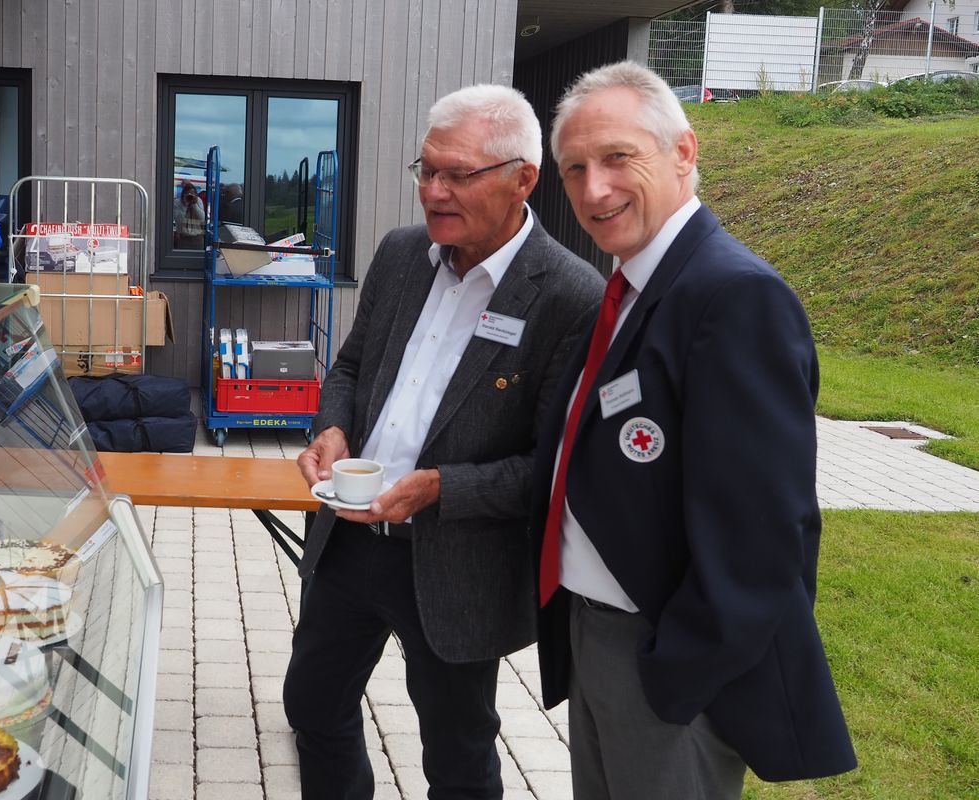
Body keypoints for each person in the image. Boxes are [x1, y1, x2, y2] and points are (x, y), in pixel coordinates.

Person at [531, 60, 856, 798]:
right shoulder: (632, 286)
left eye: (618, 157)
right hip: (596, 635)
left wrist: (679, 671)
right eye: (575, 168)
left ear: (683, 152)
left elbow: (762, 538)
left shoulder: (733, 296)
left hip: (663, 663)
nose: (593, 189)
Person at [283, 84, 604, 799]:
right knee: (312, 707)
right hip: (349, 540)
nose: (433, 191)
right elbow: (350, 366)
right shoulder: (403, 254)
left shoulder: (570, 296)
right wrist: (332, 427)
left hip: (454, 561)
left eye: (458, 174)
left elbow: (554, 469)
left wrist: (440, 489)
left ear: (523, 179)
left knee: (457, 756)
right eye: (426, 170)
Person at [174, 181, 205, 249]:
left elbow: (202, 218)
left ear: (196, 194)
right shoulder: (177, 203)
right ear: (183, 194)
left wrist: (194, 205)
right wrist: (185, 205)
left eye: (192, 193)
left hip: (197, 237)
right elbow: (179, 221)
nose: (190, 196)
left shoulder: (198, 201)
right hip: (183, 238)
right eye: (187, 193)